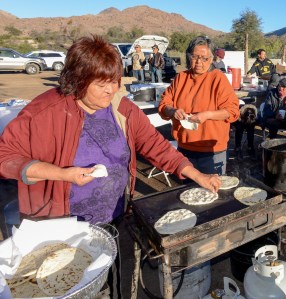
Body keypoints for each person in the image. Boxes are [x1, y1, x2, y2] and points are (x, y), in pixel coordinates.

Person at [0, 35, 221, 298]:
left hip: (118, 217)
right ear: (78, 80)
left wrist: (198, 175)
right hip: (63, 226)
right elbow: (6, 157)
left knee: (122, 282)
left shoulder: (121, 108)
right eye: (102, 84)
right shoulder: (45, 111)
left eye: (115, 81)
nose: (112, 90)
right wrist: (61, 174)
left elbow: (156, 146)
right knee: (71, 286)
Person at [158, 36, 240, 175]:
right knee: (189, 193)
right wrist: (173, 111)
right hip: (185, 148)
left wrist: (207, 115)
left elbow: (232, 111)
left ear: (212, 58)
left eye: (204, 58)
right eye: (195, 57)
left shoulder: (218, 78)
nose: (199, 62)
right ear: (189, 56)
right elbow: (164, 103)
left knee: (214, 192)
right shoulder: (181, 78)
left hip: (212, 151)